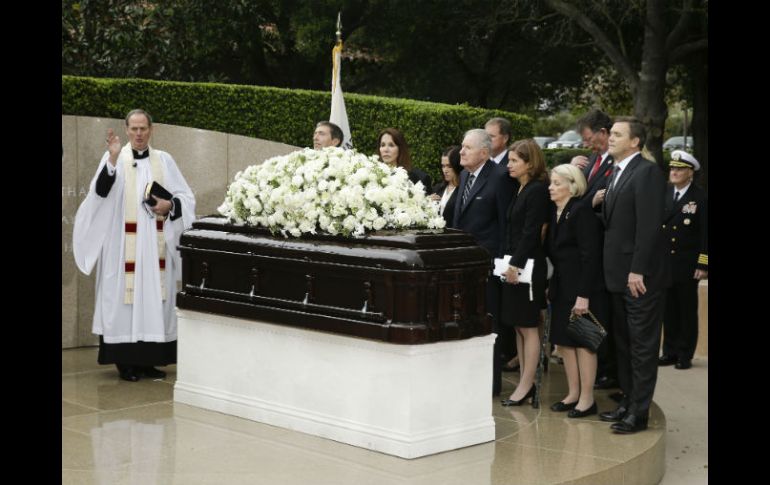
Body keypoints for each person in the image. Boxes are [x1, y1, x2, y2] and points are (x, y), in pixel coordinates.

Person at [73, 109, 196, 382]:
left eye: (143, 128)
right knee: (123, 303)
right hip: (122, 248)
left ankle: (149, 361)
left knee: (154, 300)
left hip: (154, 248)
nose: (139, 134)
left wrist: (170, 205)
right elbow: (99, 193)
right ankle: (125, 363)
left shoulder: (164, 160)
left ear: (151, 130)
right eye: (134, 129)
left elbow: (186, 197)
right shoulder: (115, 159)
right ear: (126, 130)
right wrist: (112, 159)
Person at [598, 117, 669, 434]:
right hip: (617, 276)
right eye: (611, 133)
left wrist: (637, 269)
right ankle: (627, 401)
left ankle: (639, 414)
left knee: (642, 346)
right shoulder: (616, 172)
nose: (610, 138)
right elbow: (618, 222)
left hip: (639, 278)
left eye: (617, 134)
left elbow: (649, 226)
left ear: (635, 142)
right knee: (624, 344)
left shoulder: (647, 172)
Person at [453, 129, 516, 396]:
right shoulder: (464, 175)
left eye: (467, 147)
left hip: (488, 267)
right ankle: (468, 379)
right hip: (463, 265)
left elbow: (506, 225)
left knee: (489, 325)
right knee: (466, 322)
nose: (461, 152)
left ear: (484, 152)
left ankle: (490, 384)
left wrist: (501, 264)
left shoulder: (500, 177)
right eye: (462, 146)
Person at [545, 164, 607, 418]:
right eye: (551, 183)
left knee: (583, 343)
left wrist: (584, 295)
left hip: (582, 290)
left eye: (557, 183)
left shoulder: (581, 211)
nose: (551, 187)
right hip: (562, 288)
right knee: (565, 342)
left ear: (572, 186)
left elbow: (590, 257)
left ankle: (587, 399)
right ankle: (573, 393)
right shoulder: (557, 212)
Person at [569, 109, 619, 392]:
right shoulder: (592, 163)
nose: (587, 144)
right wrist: (575, 169)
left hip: (603, 246)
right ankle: (602, 367)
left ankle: (609, 369)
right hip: (587, 244)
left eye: (590, 138)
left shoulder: (615, 163)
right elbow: (580, 194)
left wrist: (587, 203)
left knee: (605, 313)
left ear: (603, 132)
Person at [499, 139, 550, 407]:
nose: (509, 165)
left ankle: (527, 384)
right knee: (519, 326)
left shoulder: (537, 190)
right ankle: (524, 381)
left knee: (529, 327)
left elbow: (532, 232)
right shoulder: (520, 188)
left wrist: (515, 265)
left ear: (530, 164)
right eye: (509, 160)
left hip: (527, 266)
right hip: (516, 265)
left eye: (514, 161)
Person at [659, 150, 708, 370]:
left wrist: (703, 263)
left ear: (690, 172)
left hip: (687, 263)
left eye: (679, 169)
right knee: (668, 310)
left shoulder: (700, 197)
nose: (674, 172)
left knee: (686, 310)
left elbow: (705, 233)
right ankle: (669, 351)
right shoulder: (665, 192)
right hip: (665, 263)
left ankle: (684, 354)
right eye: (672, 168)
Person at [377, 128, 433, 194]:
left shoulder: (418, 178)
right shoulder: (372, 175)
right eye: (382, 145)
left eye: (391, 145)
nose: (385, 150)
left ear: (400, 149)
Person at [430, 146, 462, 227]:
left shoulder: (464, 190)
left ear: (457, 165)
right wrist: (427, 202)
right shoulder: (438, 188)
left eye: (449, 166)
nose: (445, 170)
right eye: (443, 166)